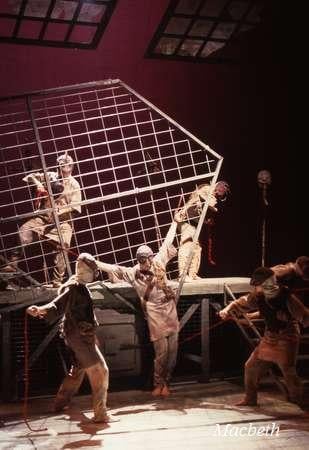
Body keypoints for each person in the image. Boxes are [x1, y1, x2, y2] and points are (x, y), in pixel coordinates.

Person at [26, 253, 112, 423]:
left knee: (77, 371)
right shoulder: (73, 287)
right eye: (92, 270)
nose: (94, 273)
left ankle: (59, 404)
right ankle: (100, 414)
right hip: (79, 337)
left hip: (80, 336)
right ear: (86, 270)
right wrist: (40, 310)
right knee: (101, 372)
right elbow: (57, 304)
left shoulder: (79, 285)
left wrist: (93, 336)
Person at [96, 221, 179, 397]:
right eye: (141, 260)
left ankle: (167, 383)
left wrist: (175, 223)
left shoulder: (158, 262)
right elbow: (113, 268)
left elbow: (167, 241)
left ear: (150, 257)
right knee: (161, 353)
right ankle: (158, 383)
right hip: (154, 313)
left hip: (169, 310)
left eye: (146, 259)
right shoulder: (133, 273)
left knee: (173, 351)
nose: (144, 263)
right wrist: (94, 262)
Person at [219, 266, 309, 407]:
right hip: (269, 337)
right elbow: (242, 302)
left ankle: (300, 402)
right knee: (250, 367)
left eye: (259, 284)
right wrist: (227, 309)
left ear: (268, 282)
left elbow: (304, 316)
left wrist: (288, 317)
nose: (256, 287)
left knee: (288, 371)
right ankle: (250, 398)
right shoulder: (258, 296)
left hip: (287, 337)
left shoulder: (286, 297)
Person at [15, 153, 81, 287]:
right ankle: (10, 267)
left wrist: (60, 211)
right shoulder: (50, 175)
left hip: (62, 221)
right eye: (61, 162)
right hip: (43, 218)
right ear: (57, 164)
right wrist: (38, 183)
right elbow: (29, 177)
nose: (64, 163)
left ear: (71, 167)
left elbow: (75, 208)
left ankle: (57, 283)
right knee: (24, 231)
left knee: (63, 247)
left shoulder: (74, 184)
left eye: (67, 162)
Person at [174, 181, 230, 281]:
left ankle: (192, 274)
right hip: (186, 221)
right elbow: (209, 203)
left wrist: (206, 222)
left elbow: (198, 211)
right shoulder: (207, 189)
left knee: (197, 248)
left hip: (192, 222)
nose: (222, 194)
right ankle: (182, 275)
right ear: (219, 187)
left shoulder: (209, 192)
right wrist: (213, 207)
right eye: (223, 191)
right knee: (186, 245)